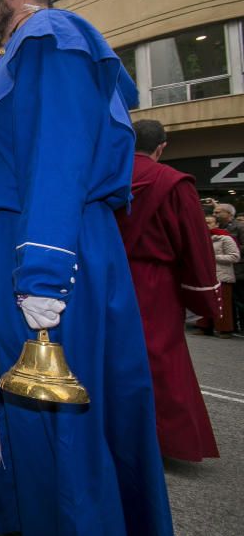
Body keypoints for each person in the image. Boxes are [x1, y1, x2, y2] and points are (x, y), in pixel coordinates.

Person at [0, 0, 172, 536]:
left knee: (59, 423)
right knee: (37, 419)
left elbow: (59, 154)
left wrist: (43, 269)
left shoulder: (47, 35)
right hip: (22, 239)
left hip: (44, 247)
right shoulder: (29, 47)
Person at [115, 119, 222, 462]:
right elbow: (194, 243)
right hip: (154, 280)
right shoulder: (173, 183)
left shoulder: (106, 176)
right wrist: (203, 294)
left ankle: (115, 432)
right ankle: (164, 439)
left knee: (110, 353)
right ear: (161, 147)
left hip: (110, 276)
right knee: (159, 357)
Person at [207, 214, 240, 339]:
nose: (206, 225)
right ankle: (205, 327)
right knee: (205, 300)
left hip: (222, 274)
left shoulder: (225, 238)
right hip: (206, 275)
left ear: (217, 224)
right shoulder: (201, 237)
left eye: (209, 222)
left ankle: (225, 329)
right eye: (204, 222)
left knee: (223, 304)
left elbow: (235, 256)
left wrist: (214, 257)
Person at [213, 203, 244, 331]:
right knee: (228, 300)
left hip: (239, 268)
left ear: (229, 214)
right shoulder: (217, 228)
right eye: (215, 212)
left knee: (240, 299)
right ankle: (231, 327)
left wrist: (226, 250)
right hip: (223, 269)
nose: (215, 214)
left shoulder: (240, 227)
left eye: (218, 212)